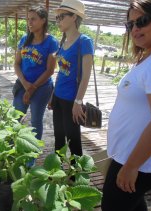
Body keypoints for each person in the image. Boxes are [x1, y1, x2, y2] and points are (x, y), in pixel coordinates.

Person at [101, 0, 151, 211]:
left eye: (141, 21)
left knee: (113, 210)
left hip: (140, 161)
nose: (135, 29)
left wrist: (132, 166)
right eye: (129, 24)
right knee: (132, 205)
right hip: (131, 156)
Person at [51, 0, 93, 157]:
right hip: (58, 97)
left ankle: (76, 176)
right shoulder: (63, 41)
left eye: (62, 17)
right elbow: (61, 72)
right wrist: (52, 95)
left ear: (74, 17)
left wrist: (78, 102)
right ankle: (57, 170)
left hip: (71, 100)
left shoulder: (84, 41)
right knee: (58, 138)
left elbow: (86, 76)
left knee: (73, 140)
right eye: (57, 18)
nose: (58, 21)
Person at [13, 5, 58, 142]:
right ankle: (9, 147)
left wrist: (32, 88)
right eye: (28, 19)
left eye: (33, 19)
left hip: (42, 88)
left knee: (35, 121)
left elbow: (50, 70)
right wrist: (26, 85)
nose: (29, 22)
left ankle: (33, 153)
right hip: (23, 85)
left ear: (43, 20)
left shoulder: (51, 42)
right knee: (14, 117)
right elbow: (16, 64)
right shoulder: (24, 39)